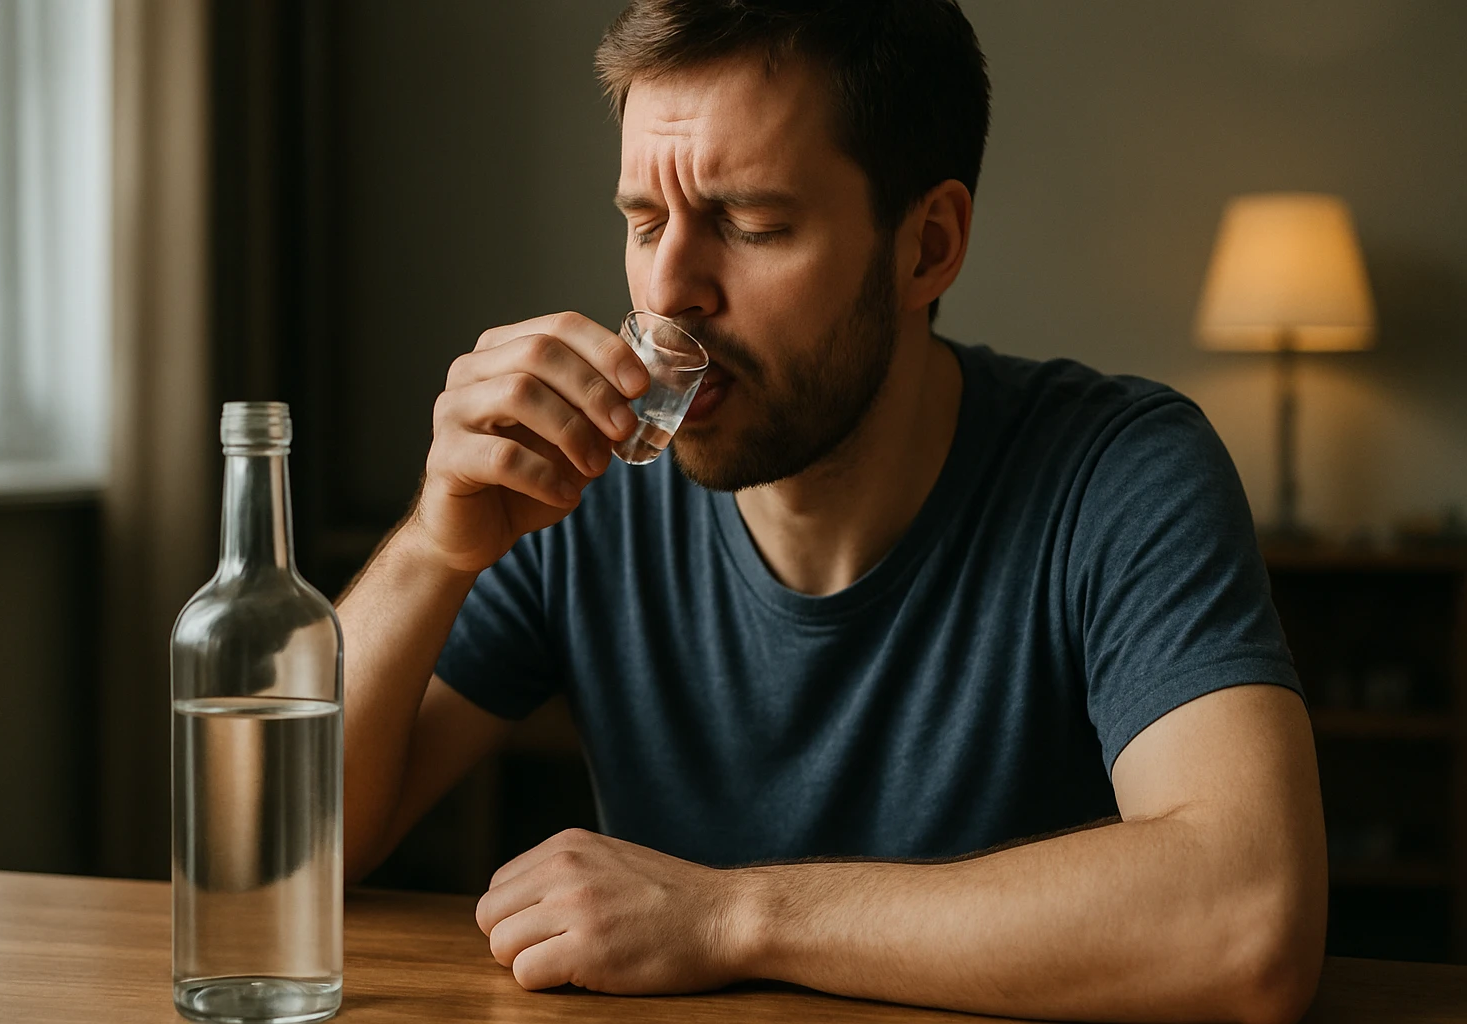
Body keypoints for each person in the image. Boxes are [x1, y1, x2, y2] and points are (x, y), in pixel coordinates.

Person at [335, 2, 1327, 1020]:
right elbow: (270, 856)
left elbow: (1248, 921)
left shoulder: (1119, 473)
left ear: (928, 247)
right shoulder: (584, 484)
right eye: (643, 221)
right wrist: (431, 549)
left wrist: (730, 917)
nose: (667, 290)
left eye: (751, 223)